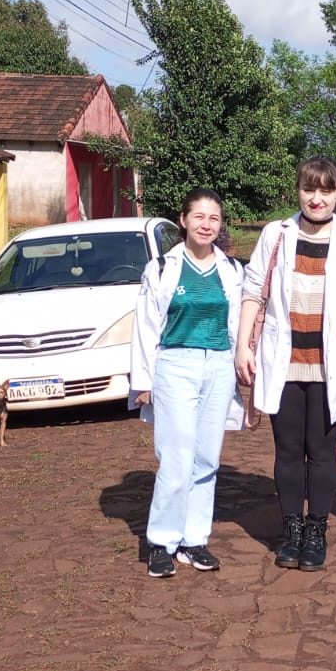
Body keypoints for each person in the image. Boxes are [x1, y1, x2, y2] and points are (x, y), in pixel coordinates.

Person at [236, 156, 336, 571]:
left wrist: (334, 332)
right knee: (286, 449)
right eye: (309, 189)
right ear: (298, 190)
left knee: (320, 450)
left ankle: (316, 530)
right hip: (282, 361)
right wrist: (245, 346)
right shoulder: (275, 235)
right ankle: (291, 530)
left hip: (325, 365)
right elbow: (252, 291)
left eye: (326, 190)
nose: (316, 198)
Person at [130, 188, 248, 578]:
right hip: (175, 365)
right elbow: (146, 327)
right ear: (183, 220)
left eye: (214, 218)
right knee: (176, 457)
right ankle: (162, 542)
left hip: (218, 366)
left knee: (207, 458)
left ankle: (194, 539)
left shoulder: (232, 270)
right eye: (199, 217)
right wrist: (143, 380)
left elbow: (240, 324)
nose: (206, 225)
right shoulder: (162, 268)